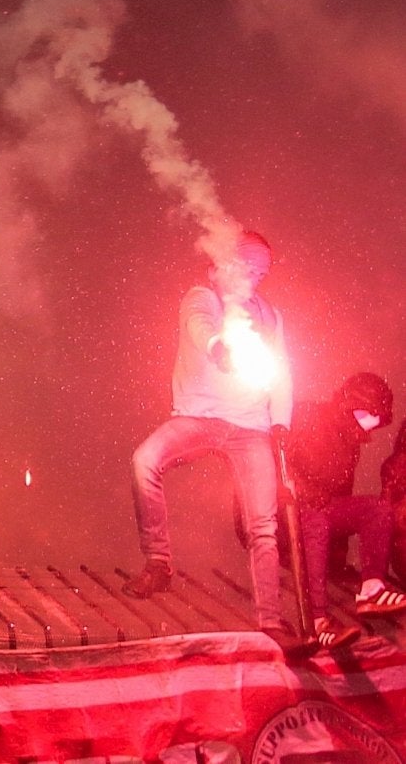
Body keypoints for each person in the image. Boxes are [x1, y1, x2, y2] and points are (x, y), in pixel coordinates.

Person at [124, 230, 292, 637]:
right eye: (250, 265)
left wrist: (281, 423)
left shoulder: (269, 314)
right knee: (144, 461)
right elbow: (200, 327)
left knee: (263, 526)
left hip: (250, 426)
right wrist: (219, 347)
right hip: (199, 417)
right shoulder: (202, 297)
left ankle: (270, 622)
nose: (257, 275)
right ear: (230, 262)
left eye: (263, 269)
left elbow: (282, 371)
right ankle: (159, 563)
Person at [286, 372, 406, 648]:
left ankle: (372, 589)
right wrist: (302, 494)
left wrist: (337, 550)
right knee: (316, 519)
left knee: (376, 509)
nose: (368, 427)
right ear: (349, 404)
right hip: (289, 514)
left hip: (320, 511)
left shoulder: (350, 442)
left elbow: (342, 492)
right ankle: (317, 621)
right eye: (366, 416)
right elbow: (281, 463)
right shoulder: (307, 415)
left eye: (375, 421)